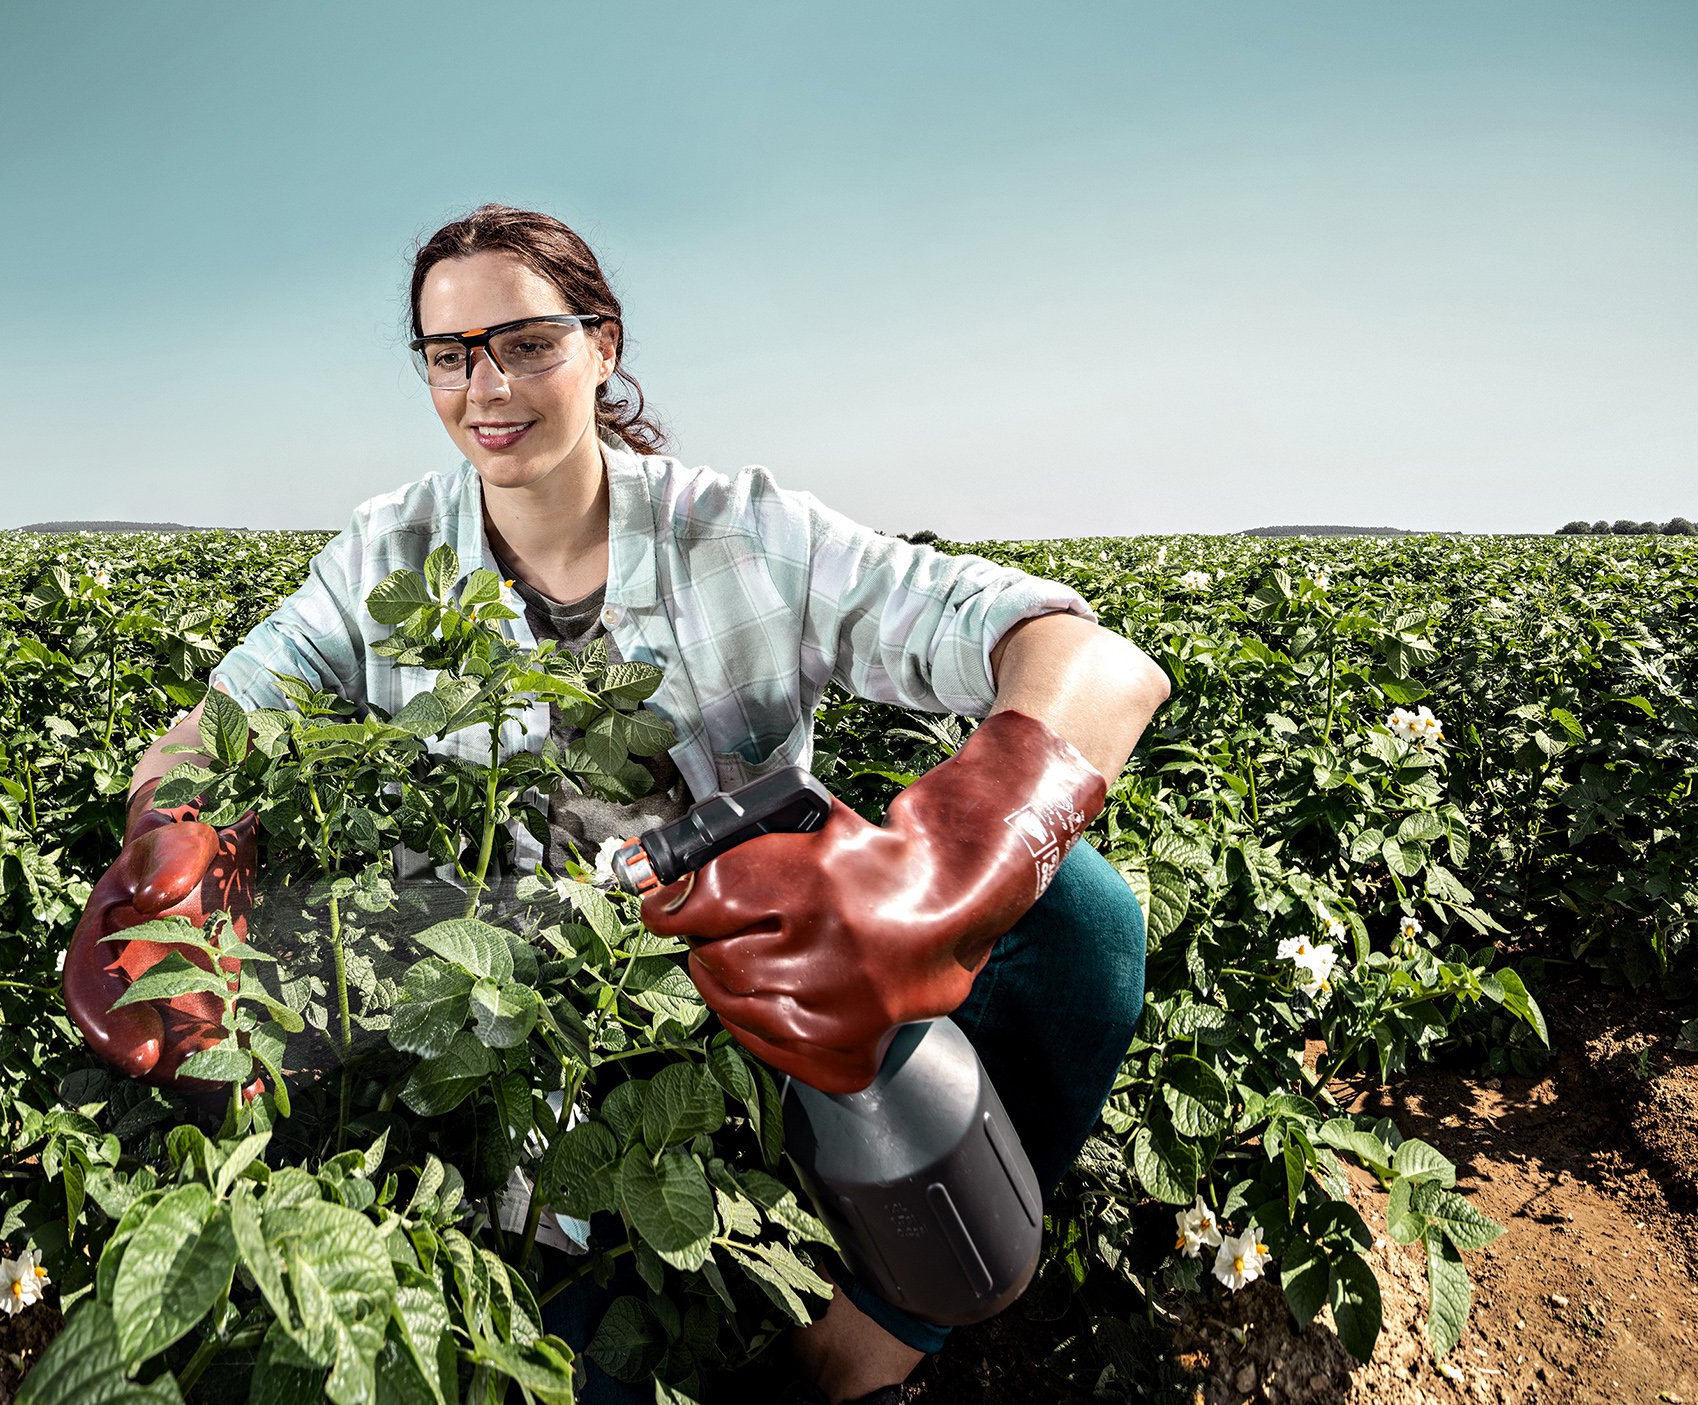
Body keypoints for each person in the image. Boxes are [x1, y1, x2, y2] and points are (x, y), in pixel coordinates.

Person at [66, 205, 1170, 1405]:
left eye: (527, 343)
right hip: (509, 1034)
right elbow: (211, 727)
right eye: (449, 355)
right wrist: (174, 836)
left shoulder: (742, 533)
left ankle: (869, 1354)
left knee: (1083, 919)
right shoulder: (383, 560)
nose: (486, 386)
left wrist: (958, 853)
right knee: (585, 1363)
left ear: (601, 344)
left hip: (756, 999)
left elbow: (1088, 658)